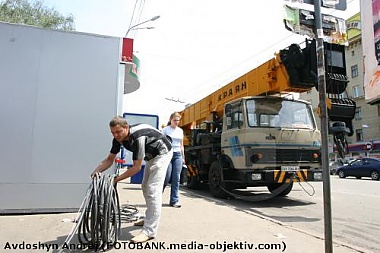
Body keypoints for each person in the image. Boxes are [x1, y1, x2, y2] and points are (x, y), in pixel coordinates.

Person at [91, 116, 172, 243]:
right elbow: (109, 160)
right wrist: (97, 171)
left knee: (153, 190)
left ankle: (149, 231)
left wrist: (116, 179)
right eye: (113, 132)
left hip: (162, 153)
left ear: (126, 127)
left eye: (118, 132)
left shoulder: (137, 138)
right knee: (145, 186)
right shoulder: (117, 139)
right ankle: (149, 217)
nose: (116, 135)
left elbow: (136, 168)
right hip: (151, 155)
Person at [162, 112, 185, 208]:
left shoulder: (180, 131)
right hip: (168, 154)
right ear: (170, 120)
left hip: (177, 155)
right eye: (175, 120)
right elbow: (161, 143)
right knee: (167, 176)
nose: (176, 122)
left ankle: (174, 200)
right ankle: (157, 197)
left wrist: (183, 157)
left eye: (178, 120)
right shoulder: (165, 130)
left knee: (177, 177)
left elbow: (181, 145)